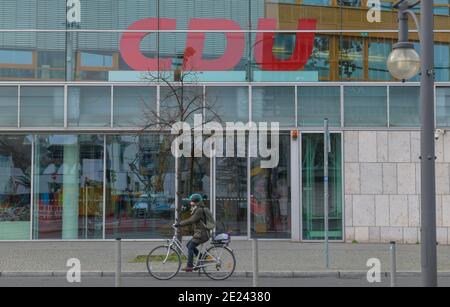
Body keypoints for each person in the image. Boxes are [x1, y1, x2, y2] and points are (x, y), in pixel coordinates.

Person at [174, 193, 211, 272]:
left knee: (190, 246)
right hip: (200, 233)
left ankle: (189, 266)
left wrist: (179, 224)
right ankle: (201, 257)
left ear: (195, 201)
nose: (190, 202)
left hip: (202, 234)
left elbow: (192, 220)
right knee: (188, 245)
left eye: (191, 201)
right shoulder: (197, 208)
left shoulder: (199, 210)